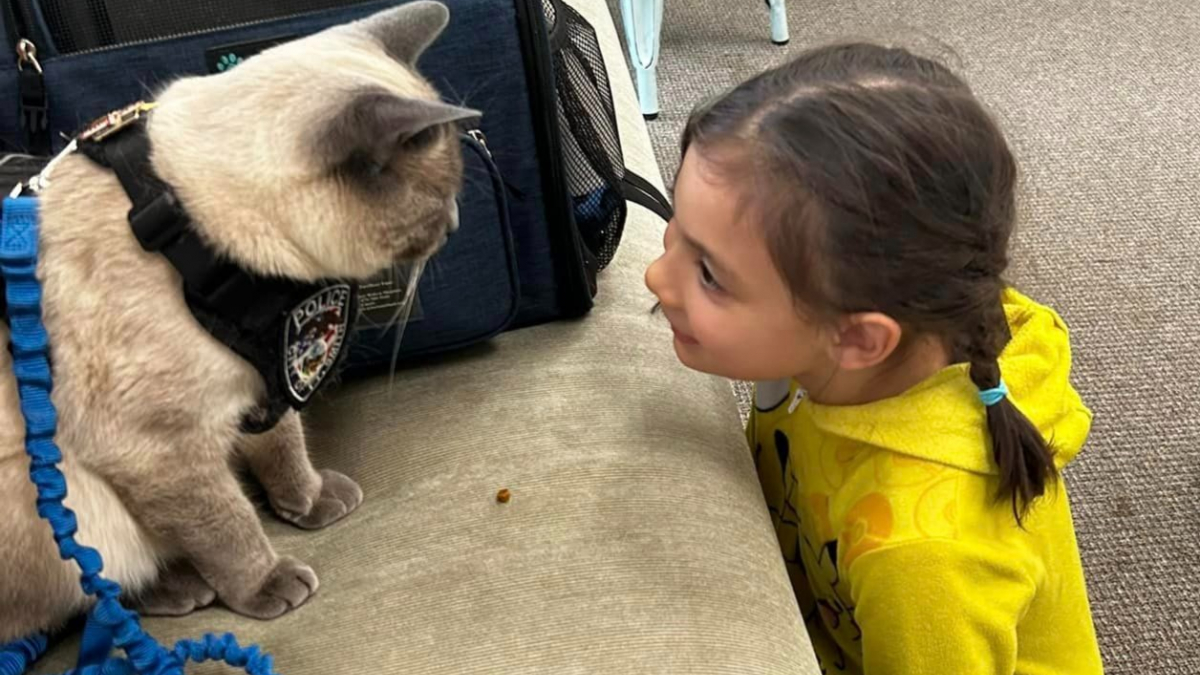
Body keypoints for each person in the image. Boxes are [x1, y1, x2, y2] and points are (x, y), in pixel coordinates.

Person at [644, 43, 1103, 674]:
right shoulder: (851, 345)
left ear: (859, 340)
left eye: (709, 274)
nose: (655, 277)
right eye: (677, 231)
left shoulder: (922, 560)